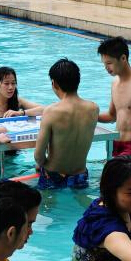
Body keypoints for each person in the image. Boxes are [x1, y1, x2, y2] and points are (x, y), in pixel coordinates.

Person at [33, 59, 99, 190]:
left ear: (54, 83)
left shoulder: (51, 112)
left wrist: (42, 164)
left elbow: (38, 155)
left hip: (53, 174)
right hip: (80, 175)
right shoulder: (93, 109)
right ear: (78, 81)